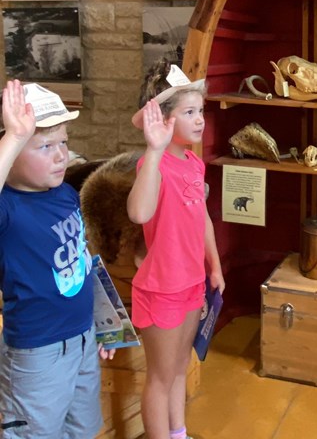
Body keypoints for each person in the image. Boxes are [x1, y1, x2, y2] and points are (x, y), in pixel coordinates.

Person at [0, 80, 114, 438]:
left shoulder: (64, 193)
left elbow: (80, 260)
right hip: (38, 352)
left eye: (63, 142)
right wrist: (16, 135)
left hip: (82, 338)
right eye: (44, 145)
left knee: (82, 430)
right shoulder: (8, 207)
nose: (60, 155)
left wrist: (103, 322)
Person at [128, 59, 225, 439]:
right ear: (164, 119)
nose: (200, 120)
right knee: (160, 376)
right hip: (162, 286)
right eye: (189, 112)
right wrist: (153, 152)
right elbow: (139, 212)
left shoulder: (193, 164)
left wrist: (214, 266)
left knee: (180, 368)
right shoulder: (153, 165)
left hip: (191, 281)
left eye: (200, 110)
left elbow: (201, 218)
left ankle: (178, 433)